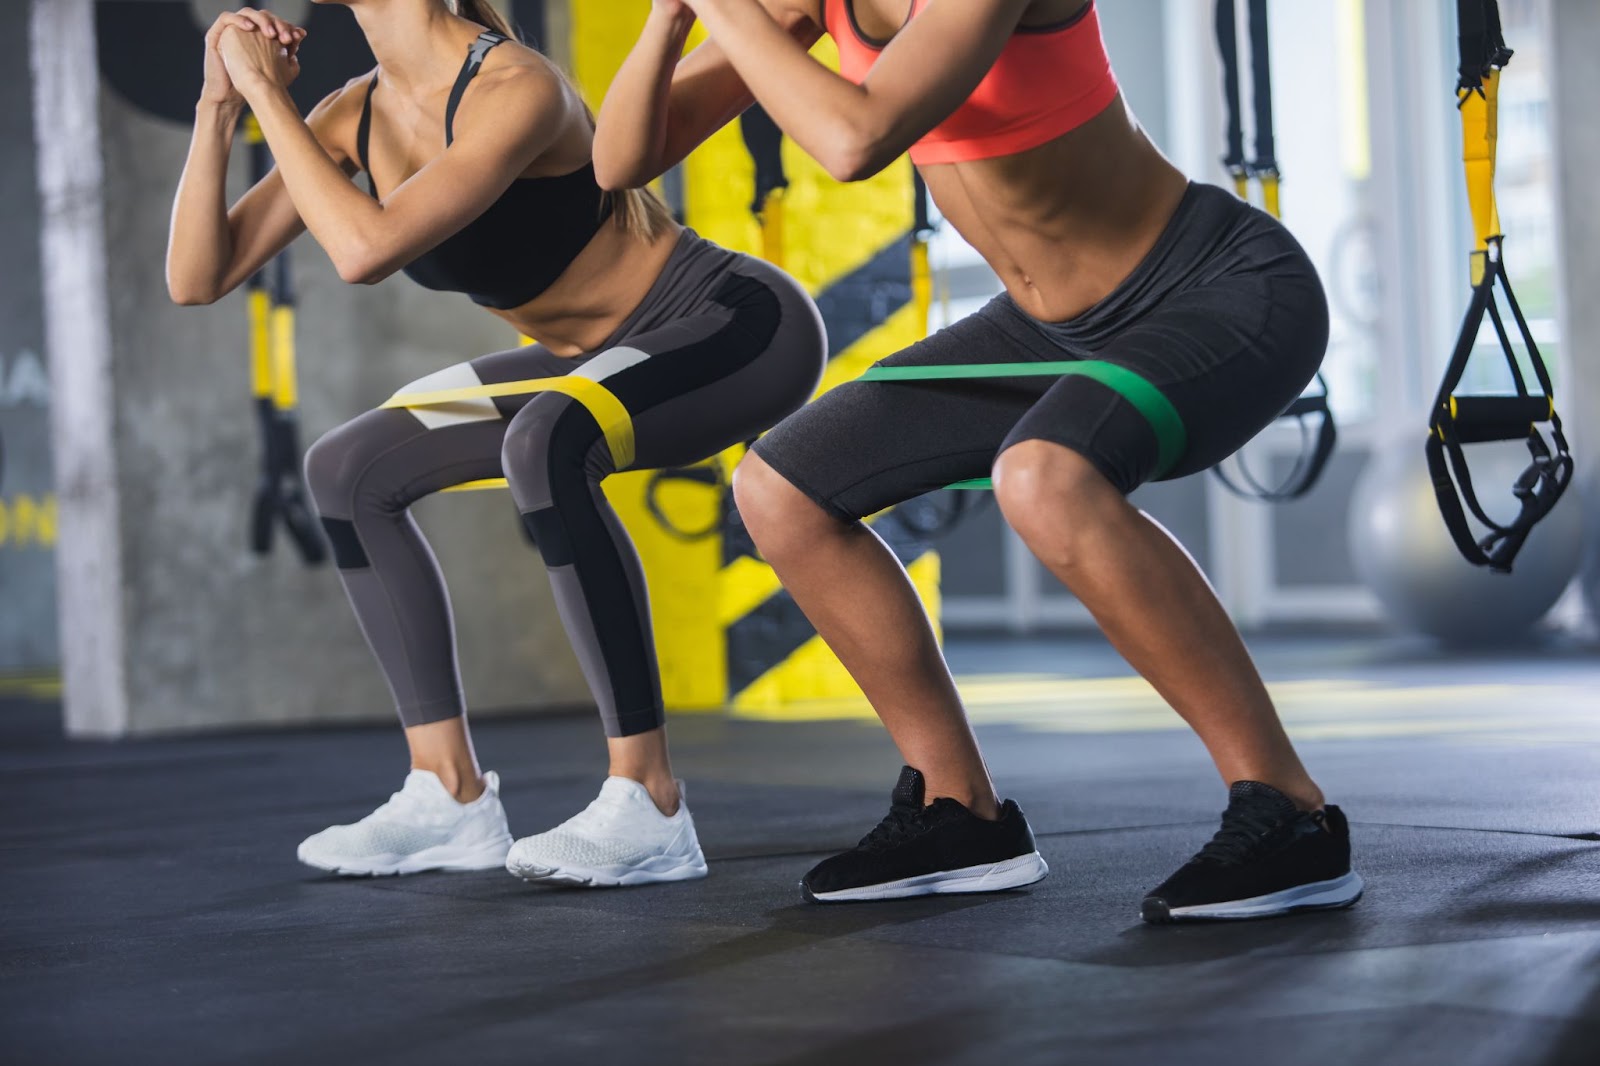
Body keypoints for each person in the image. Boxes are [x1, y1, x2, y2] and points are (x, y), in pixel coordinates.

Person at [596, 0, 1362, 920]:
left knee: (1043, 476)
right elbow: (620, 162)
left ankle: (1291, 813)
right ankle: (960, 809)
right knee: (779, 487)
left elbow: (855, 139)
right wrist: (668, 24)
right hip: (1043, 330)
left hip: (1215, 288)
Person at [167, 0, 824, 886]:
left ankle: (652, 801)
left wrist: (263, 93)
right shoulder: (349, 114)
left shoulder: (516, 86)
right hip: (583, 361)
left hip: (731, 324)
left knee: (547, 441)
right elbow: (196, 275)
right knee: (347, 470)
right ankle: (449, 793)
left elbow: (365, 251)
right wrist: (219, 106)